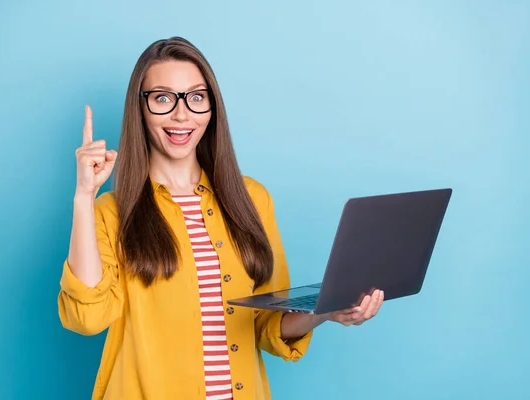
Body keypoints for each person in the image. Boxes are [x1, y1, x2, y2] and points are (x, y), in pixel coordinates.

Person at [57, 36, 384, 400]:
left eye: (196, 97)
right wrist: (84, 196)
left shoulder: (252, 200)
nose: (182, 114)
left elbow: (265, 323)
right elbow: (87, 318)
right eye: (162, 98)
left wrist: (325, 311)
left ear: (212, 108)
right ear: (140, 109)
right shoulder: (111, 211)